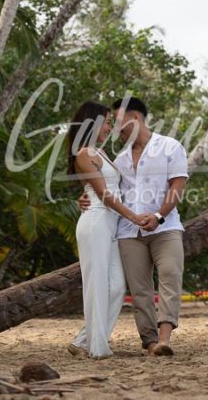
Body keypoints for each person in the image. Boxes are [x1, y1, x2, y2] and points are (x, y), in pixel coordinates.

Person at [79, 96, 189, 356]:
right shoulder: (119, 158)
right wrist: (86, 196)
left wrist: (159, 216)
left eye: (118, 123)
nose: (115, 130)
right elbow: (107, 189)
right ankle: (150, 344)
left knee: (171, 276)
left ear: (135, 118)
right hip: (129, 232)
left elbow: (177, 187)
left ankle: (164, 340)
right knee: (139, 290)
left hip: (165, 227)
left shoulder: (170, 147)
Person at [65, 101, 149, 359]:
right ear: (92, 123)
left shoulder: (99, 153)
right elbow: (103, 194)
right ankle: (97, 347)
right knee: (96, 284)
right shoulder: (83, 154)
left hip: (110, 224)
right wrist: (134, 217)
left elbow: (104, 188)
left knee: (115, 287)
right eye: (107, 121)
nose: (111, 126)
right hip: (97, 222)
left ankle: (82, 341)